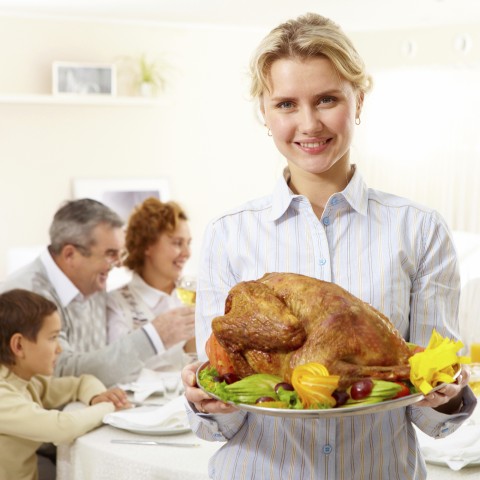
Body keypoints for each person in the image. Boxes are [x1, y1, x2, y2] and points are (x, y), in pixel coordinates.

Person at [181, 13, 477, 480]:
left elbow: (429, 412)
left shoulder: (417, 230)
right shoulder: (229, 233)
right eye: (285, 104)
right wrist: (204, 401)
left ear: (358, 100)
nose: (309, 123)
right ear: (264, 111)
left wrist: (448, 394)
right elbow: (223, 414)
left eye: (326, 99)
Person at [0, 198, 194, 387]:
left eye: (120, 253)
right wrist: (154, 335)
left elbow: (100, 362)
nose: (118, 263)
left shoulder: (93, 286)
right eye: (110, 254)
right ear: (70, 255)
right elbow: (60, 372)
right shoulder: (25, 295)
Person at [0, 289, 131, 480]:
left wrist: (96, 397)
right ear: (19, 345)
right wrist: (109, 406)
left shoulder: (28, 380)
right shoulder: (3, 395)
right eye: (53, 338)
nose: (59, 349)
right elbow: (61, 428)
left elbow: (82, 382)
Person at [107, 197, 196, 371]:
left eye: (188, 243)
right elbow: (118, 369)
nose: (187, 253)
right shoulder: (117, 303)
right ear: (147, 245)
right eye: (177, 243)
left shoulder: (191, 297)